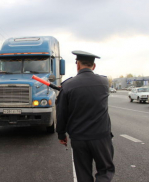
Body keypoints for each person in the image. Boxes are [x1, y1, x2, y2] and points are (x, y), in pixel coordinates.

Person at [56, 50, 115, 182]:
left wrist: (61, 134)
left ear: (77, 65)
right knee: (105, 171)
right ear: (94, 66)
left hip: (79, 137)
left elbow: (61, 113)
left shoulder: (68, 85)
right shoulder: (104, 82)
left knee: (83, 174)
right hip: (101, 137)